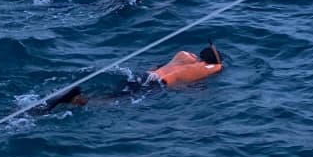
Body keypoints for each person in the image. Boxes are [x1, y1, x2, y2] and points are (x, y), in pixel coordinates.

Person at [41, 43, 223, 112]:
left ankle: (72, 97)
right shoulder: (205, 69)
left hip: (145, 76)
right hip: (157, 85)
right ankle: (76, 100)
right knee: (114, 102)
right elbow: (216, 67)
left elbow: (157, 66)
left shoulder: (183, 55)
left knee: (114, 93)